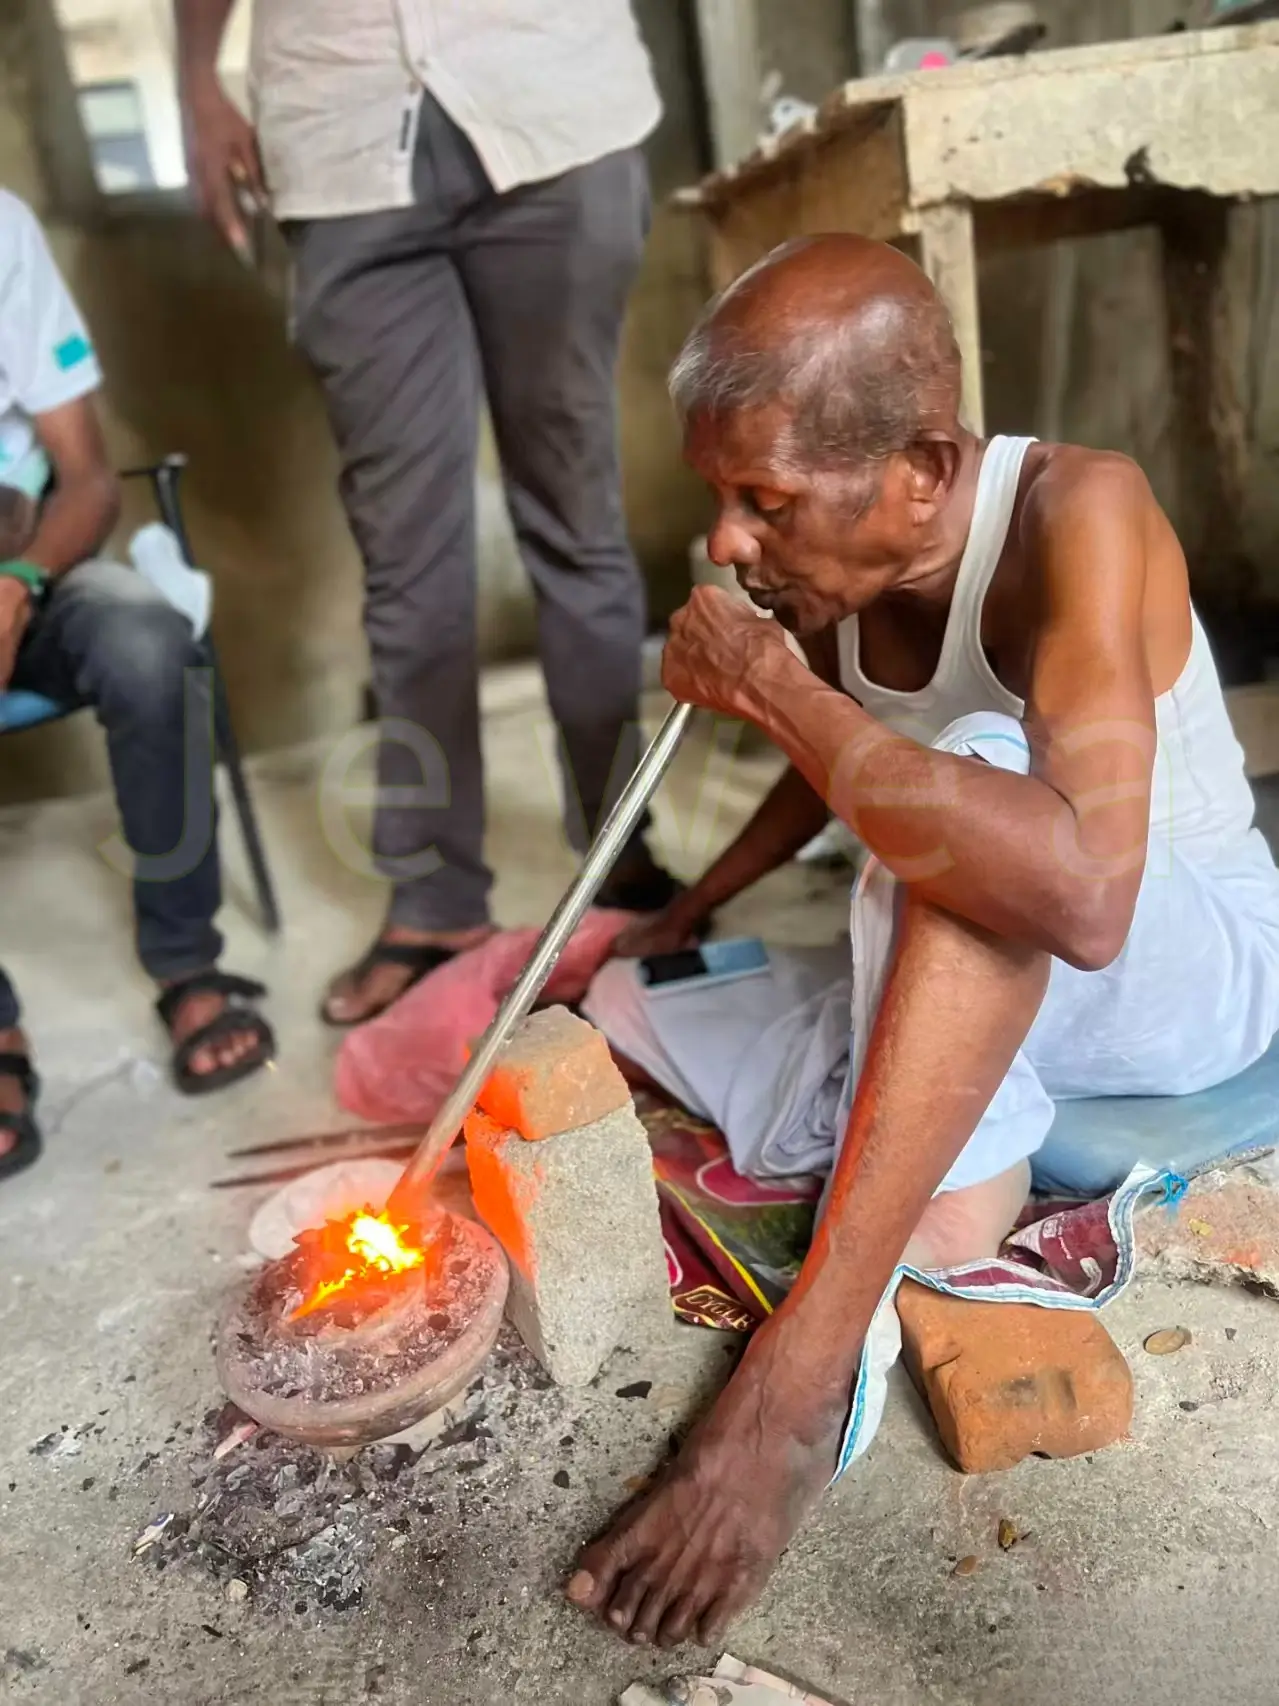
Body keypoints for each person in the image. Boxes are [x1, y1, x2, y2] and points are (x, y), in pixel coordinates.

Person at [568, 234, 1279, 1646]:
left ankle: (804, 1368)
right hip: (1032, 950)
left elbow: (1078, 892)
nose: (724, 542)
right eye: (721, 500)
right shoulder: (839, 577)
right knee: (624, 989)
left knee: (968, 790)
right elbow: (822, 758)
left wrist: (769, 685)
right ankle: (948, 1163)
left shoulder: (1082, 512)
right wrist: (691, 902)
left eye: (760, 499)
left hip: (1187, 956)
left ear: (923, 469)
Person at [177, 0, 679, 1027]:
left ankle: (620, 852)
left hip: (549, 99)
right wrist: (195, 81)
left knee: (574, 515)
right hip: (340, 130)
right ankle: (436, 901)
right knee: (407, 559)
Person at [0, 190, 274, 1183]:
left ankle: (186, 966)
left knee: (146, 639)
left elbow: (85, 477)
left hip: (32, 565)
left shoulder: (2, 231)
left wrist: (18, 582)